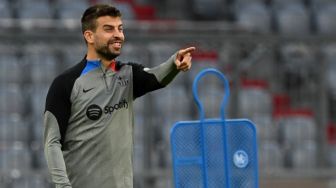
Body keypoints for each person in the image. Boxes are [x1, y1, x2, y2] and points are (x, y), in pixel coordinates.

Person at [43, 4, 195, 188]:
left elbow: (156, 77)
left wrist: (174, 63)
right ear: (89, 36)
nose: (118, 35)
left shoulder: (128, 74)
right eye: (108, 29)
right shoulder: (65, 83)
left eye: (120, 29)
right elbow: (52, 143)